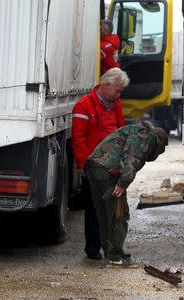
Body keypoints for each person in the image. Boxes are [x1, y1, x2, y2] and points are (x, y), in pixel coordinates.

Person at [84, 122, 168, 267]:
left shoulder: (136, 130)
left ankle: (109, 252)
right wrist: (123, 183)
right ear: (158, 142)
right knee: (119, 213)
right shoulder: (146, 137)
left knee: (103, 213)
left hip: (95, 166)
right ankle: (116, 255)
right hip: (107, 171)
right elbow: (131, 159)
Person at [71, 67, 129, 260]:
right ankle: (93, 248)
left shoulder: (116, 105)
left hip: (113, 168)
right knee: (94, 209)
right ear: (105, 85)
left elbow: (122, 132)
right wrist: (82, 165)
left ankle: (112, 247)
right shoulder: (84, 106)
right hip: (94, 167)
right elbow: (79, 139)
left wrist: (121, 162)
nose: (119, 95)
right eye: (117, 90)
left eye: (121, 91)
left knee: (115, 210)